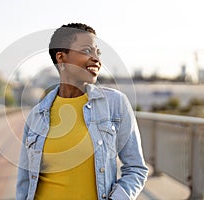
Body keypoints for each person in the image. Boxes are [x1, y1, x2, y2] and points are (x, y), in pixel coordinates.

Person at [16, 23, 148, 200]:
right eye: (87, 51)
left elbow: (136, 169)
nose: (96, 59)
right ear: (61, 57)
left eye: (98, 52)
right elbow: (24, 181)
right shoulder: (37, 115)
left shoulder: (115, 103)